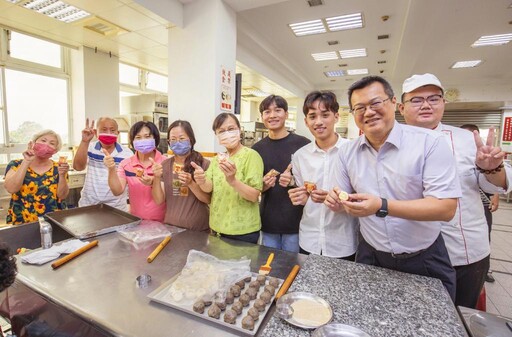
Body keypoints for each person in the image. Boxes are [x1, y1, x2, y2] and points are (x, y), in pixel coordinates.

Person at [325, 76, 461, 300]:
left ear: (393, 103)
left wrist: (382, 206)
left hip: (425, 257)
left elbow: (445, 208)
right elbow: (344, 198)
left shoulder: (430, 142)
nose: (368, 112)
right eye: (360, 107)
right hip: (371, 254)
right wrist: (336, 201)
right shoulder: (347, 152)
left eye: (376, 103)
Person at [396, 73, 512, 307]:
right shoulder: (390, 142)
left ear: (444, 103)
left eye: (434, 98)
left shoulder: (467, 140)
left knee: (459, 317)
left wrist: (492, 168)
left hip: (463, 252)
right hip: (409, 254)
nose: (426, 105)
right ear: (401, 107)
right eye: (417, 100)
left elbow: (498, 183)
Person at [287, 91, 358, 259]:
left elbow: (365, 194)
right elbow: (304, 196)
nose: (318, 122)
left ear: (336, 116)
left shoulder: (353, 151)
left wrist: (343, 202)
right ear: (306, 121)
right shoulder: (300, 156)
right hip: (308, 239)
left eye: (325, 115)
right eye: (312, 117)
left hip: (342, 241)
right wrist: (302, 198)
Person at [251, 95, 310, 252]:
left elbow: (313, 181)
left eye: (277, 110)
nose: (272, 115)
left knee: (293, 269)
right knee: (269, 268)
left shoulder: (303, 144)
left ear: (286, 114)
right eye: (267, 112)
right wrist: (263, 185)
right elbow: (255, 188)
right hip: (268, 221)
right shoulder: (256, 149)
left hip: (297, 222)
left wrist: (293, 181)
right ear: (262, 116)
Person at [193, 113, 263, 244]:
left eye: (231, 129)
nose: (227, 133)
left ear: (239, 130)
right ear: (217, 136)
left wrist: (233, 181)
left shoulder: (251, 156)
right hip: (217, 228)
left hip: (242, 232)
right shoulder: (216, 160)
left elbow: (254, 195)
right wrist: (201, 180)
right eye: (221, 131)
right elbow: (209, 188)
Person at [151, 120, 211, 231]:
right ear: (169, 142)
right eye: (173, 139)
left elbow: (207, 199)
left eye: (182, 138)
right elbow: (159, 200)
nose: (177, 142)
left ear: (191, 140)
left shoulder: (204, 164)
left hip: (199, 229)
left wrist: (191, 183)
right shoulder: (165, 165)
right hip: (171, 227)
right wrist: (156, 177)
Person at [460, 124, 500, 283]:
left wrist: (495, 194)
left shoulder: (482, 153)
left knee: (484, 235)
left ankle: (486, 270)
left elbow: (492, 179)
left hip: (482, 206)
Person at [104, 121, 166, 222]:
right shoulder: (126, 164)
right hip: (136, 222)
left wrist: (154, 180)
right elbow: (117, 191)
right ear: (132, 141)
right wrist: (111, 169)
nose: (143, 140)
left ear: (155, 139)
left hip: (162, 223)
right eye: (138, 137)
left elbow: (160, 199)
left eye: (147, 136)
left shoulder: (165, 163)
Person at [4, 130, 69, 225]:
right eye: (43, 140)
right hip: (22, 220)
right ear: (33, 143)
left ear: (55, 151)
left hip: (53, 221)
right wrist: (26, 161)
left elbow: (62, 196)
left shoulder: (59, 167)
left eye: (52, 143)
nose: (46, 145)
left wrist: (62, 175)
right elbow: (11, 188)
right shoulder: (16, 164)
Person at [72, 118, 133, 211]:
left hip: (116, 207)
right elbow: (78, 167)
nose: (108, 133)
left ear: (118, 133)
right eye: (104, 130)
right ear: (96, 132)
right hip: (89, 205)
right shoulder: (89, 147)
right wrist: (85, 141)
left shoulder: (127, 153)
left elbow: (130, 181)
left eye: (112, 130)